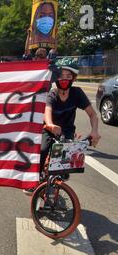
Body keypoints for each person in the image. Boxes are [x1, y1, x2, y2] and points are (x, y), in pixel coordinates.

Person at [24, 60, 101, 195]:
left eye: (68, 76)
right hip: (49, 128)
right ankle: (35, 180)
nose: (64, 79)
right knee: (42, 150)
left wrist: (94, 131)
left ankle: (57, 178)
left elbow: (93, 115)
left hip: (67, 130)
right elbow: (47, 111)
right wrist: (50, 124)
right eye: (61, 76)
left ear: (74, 79)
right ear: (55, 78)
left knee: (65, 164)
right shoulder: (52, 94)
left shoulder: (77, 93)